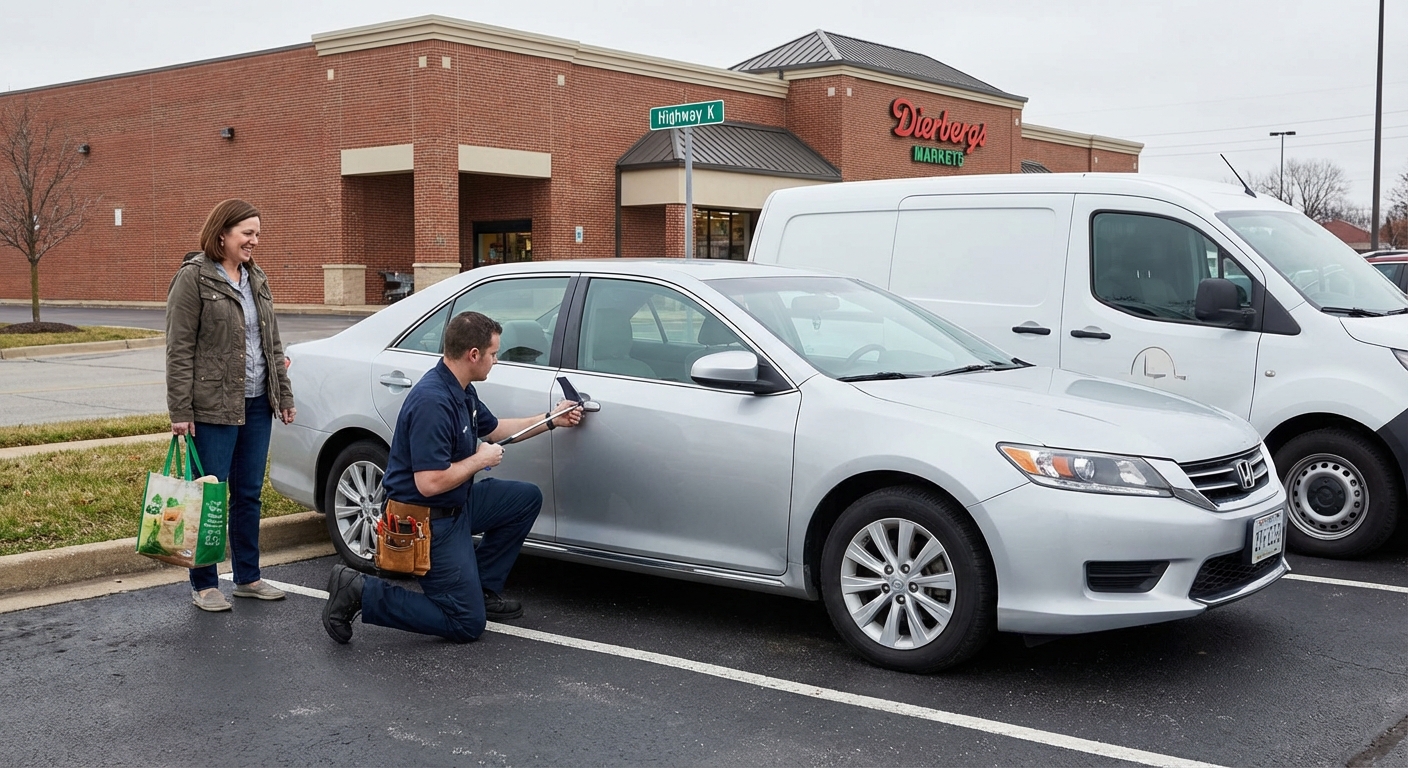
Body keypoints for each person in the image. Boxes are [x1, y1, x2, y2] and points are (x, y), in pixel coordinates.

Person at [322, 311, 584, 644]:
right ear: (473, 355)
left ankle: (481, 588)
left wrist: (551, 419)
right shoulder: (433, 402)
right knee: (465, 622)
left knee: (525, 499)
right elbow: (428, 483)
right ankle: (361, 591)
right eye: (493, 354)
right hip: (427, 521)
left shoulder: (461, 389)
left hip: (457, 504)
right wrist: (479, 460)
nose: (496, 360)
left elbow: (495, 430)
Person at [166, 199, 295, 612]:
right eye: (248, 234)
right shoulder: (194, 278)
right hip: (212, 406)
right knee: (209, 497)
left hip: (257, 403)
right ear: (222, 234)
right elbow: (179, 348)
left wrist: (283, 395)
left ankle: (248, 577)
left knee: (248, 494)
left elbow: (271, 342)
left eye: (257, 234)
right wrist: (180, 410)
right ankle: (204, 584)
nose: (254, 241)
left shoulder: (256, 277)